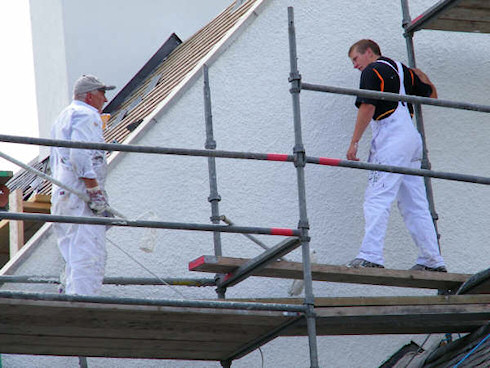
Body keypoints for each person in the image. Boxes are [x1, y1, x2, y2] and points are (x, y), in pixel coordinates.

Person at [345, 39, 446, 272]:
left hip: (391, 138)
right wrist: (419, 73)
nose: (354, 66)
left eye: (355, 59)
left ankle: (370, 256)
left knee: (377, 196)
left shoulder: (373, 70)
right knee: (415, 203)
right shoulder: (403, 72)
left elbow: (368, 107)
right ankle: (432, 260)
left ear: (369, 52)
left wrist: (354, 142)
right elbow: (432, 95)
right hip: (411, 138)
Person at [50, 75, 115, 295]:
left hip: (63, 195)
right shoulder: (87, 115)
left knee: (72, 255)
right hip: (80, 196)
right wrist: (95, 192)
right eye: (102, 93)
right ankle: (83, 307)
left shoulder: (63, 117)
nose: (105, 100)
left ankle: (70, 298)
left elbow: (58, 160)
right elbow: (79, 155)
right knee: (89, 255)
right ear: (89, 96)